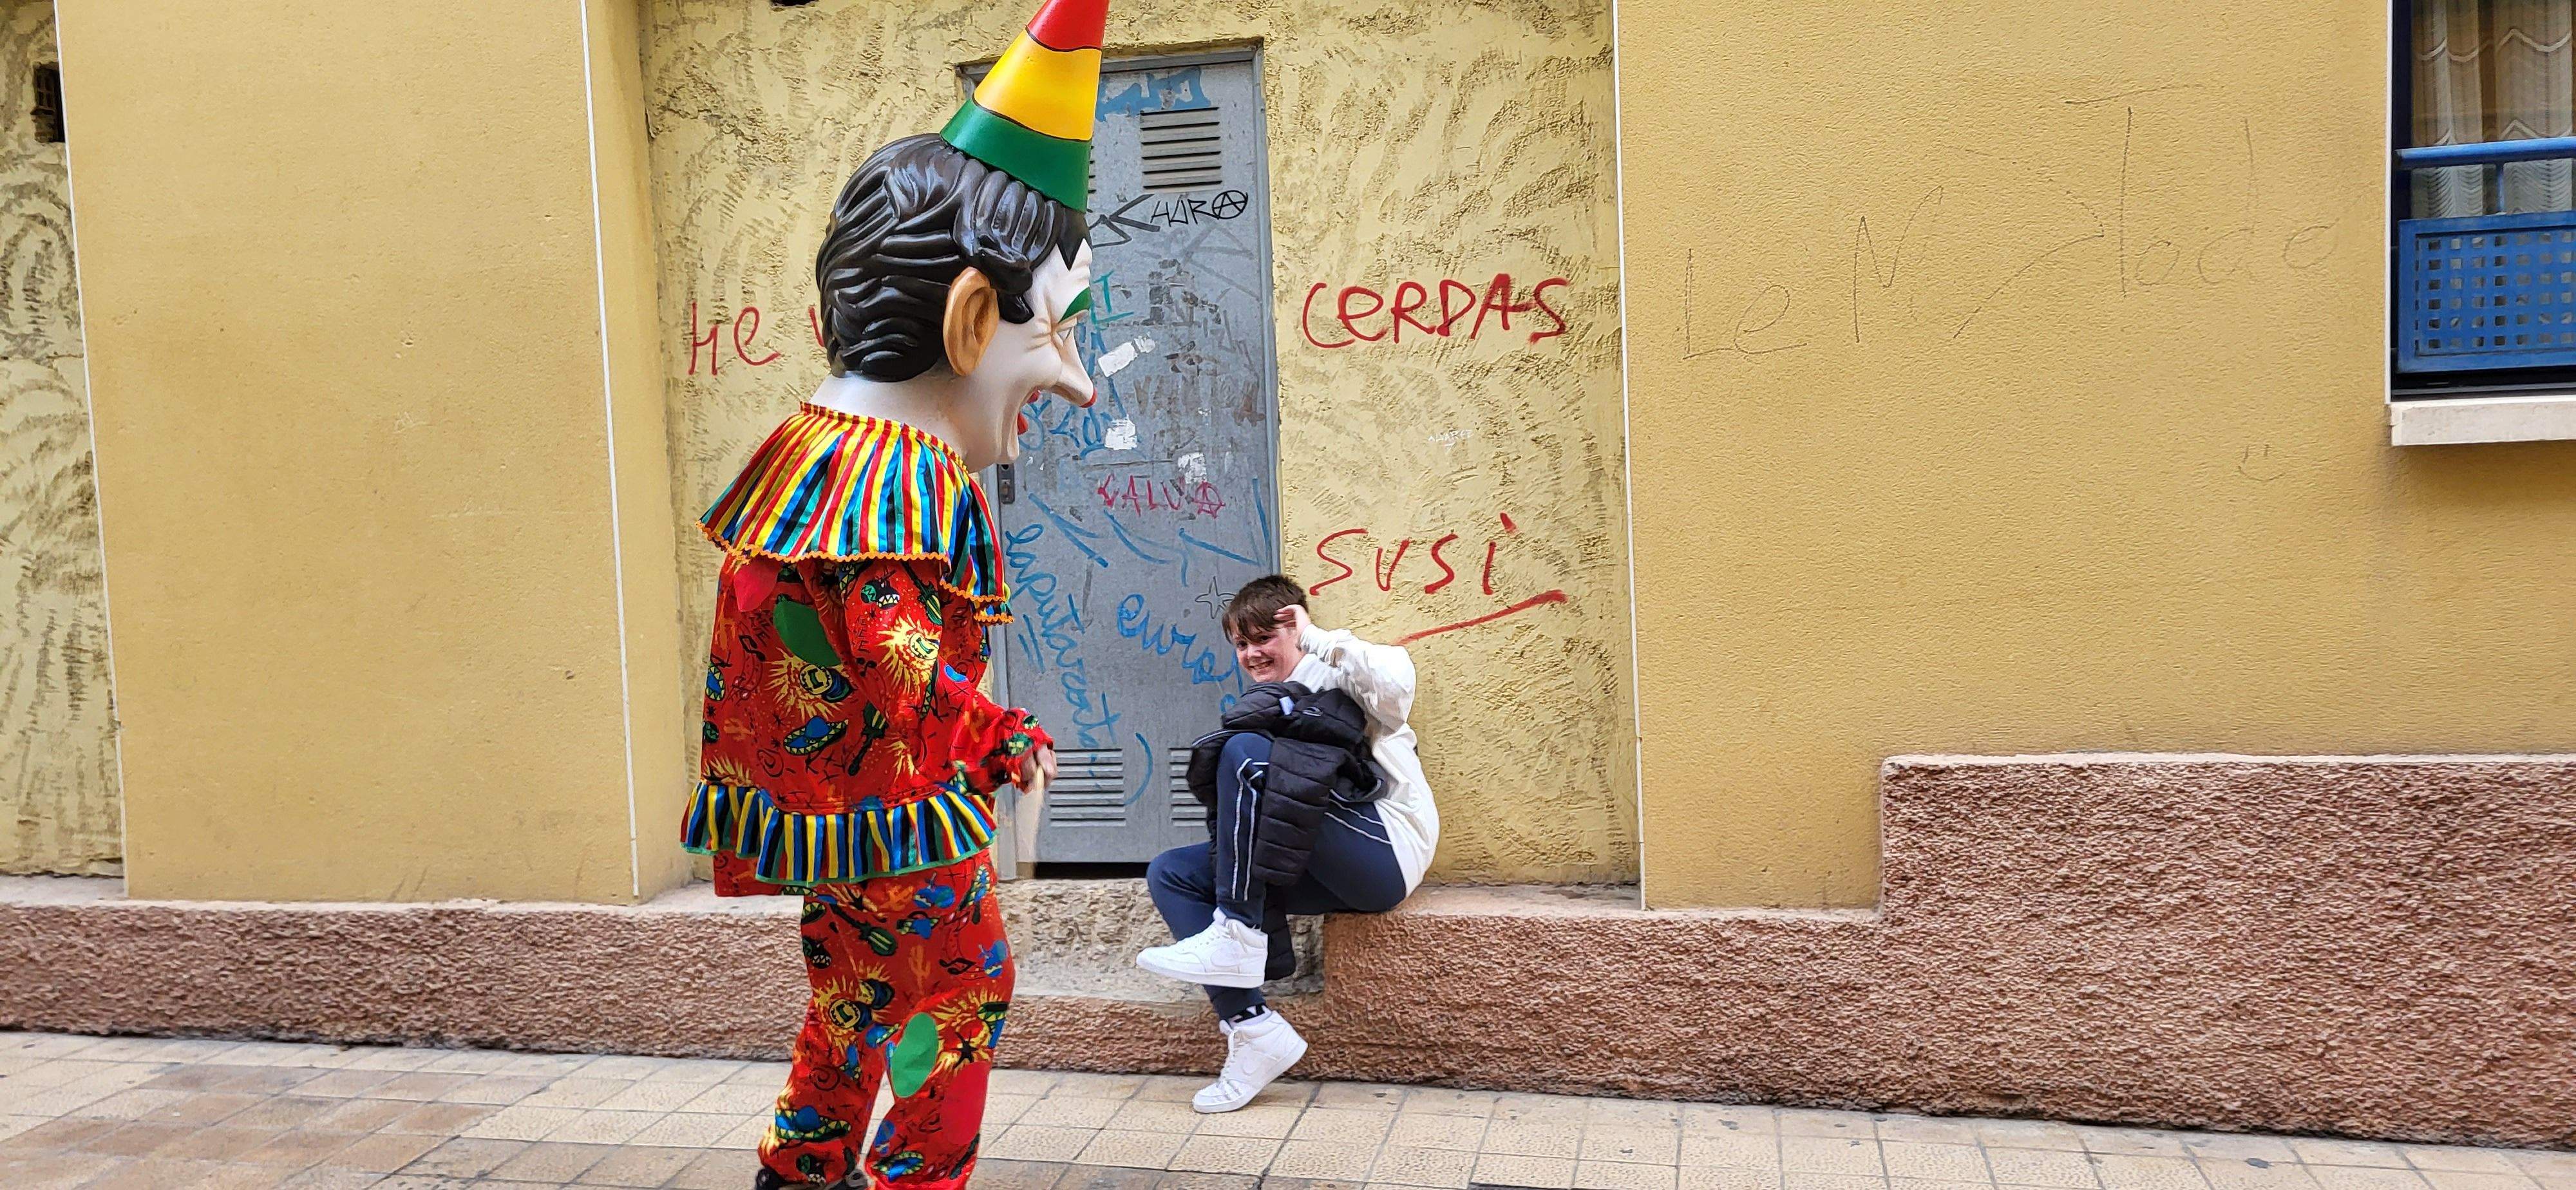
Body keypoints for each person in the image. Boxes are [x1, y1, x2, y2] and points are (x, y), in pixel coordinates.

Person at [678, 1, 1119, 1184]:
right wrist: (1003, 729)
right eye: (1058, 335)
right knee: (964, 989)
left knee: (859, 990)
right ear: (974, 320)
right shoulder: (900, 479)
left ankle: (802, 1166)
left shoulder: (814, 449)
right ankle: (910, 1179)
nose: (1073, 385)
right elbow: (898, 656)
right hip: (898, 809)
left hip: (843, 815)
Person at [1135, 575, 1439, 1113]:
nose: (1252, 654)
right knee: (1171, 872)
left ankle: (1236, 929)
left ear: (1295, 625)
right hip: (1319, 863)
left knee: (1245, 752)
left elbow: (1398, 689)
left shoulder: (1342, 671)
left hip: (1382, 853)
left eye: (1264, 638)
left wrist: (1318, 637)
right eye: (1241, 644)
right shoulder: (1271, 703)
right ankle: (1253, 1031)